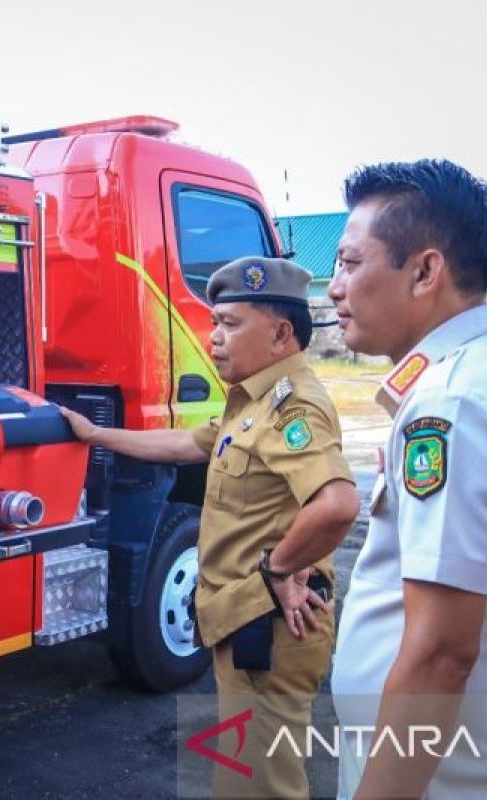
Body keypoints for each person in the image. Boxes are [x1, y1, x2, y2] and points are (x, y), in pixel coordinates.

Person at [61, 257, 358, 798]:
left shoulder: (295, 409)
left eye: (230, 323)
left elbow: (336, 504)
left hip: (267, 630)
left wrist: (278, 568)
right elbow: (185, 444)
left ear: (281, 333)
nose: (214, 337)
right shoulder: (253, 400)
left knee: (264, 787)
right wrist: (96, 436)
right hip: (241, 623)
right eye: (215, 322)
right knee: (241, 780)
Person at [328, 159, 487, 798]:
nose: (334, 288)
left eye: (351, 263)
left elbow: (442, 655)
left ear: (425, 272)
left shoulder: (455, 403)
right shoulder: (480, 378)